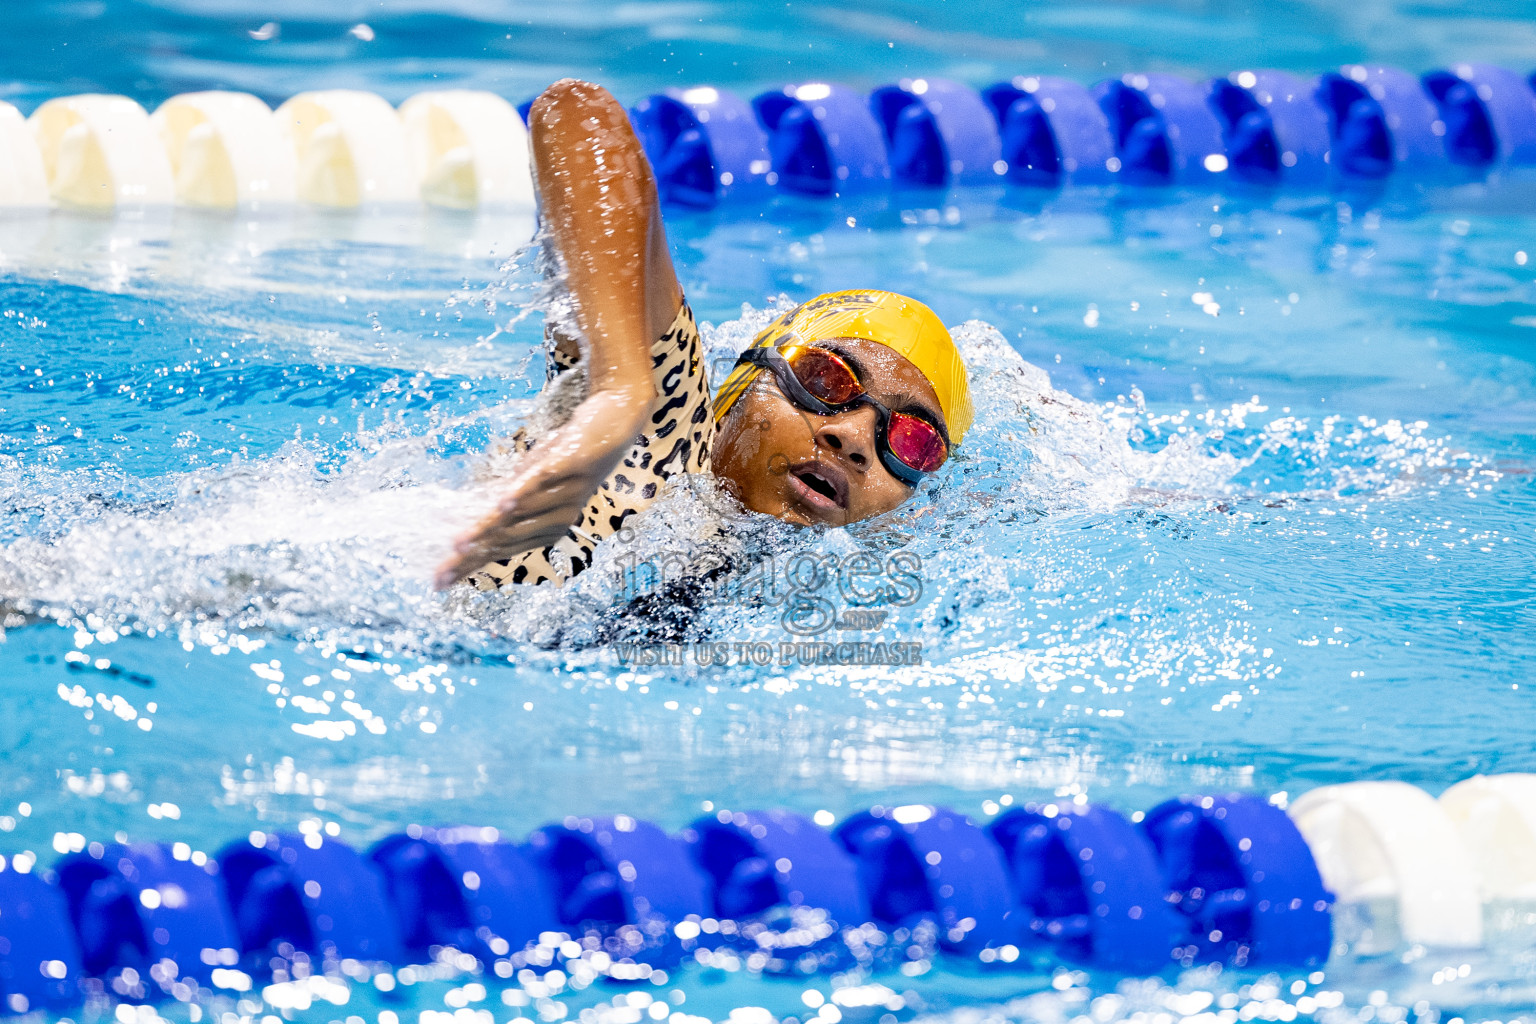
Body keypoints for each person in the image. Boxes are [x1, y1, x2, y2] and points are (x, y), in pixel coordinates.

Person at [434, 79, 974, 590]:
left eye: (911, 441)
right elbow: (575, 114)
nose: (854, 439)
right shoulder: (662, 446)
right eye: (826, 381)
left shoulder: (810, 586)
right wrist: (619, 394)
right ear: (744, 384)